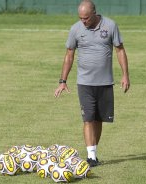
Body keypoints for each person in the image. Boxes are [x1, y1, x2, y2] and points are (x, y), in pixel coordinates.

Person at [54, 0, 130, 167]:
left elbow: (120, 50)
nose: (83, 21)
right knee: (88, 118)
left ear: (95, 13)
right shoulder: (75, 29)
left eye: (86, 18)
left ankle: (93, 152)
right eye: (80, 18)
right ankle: (91, 157)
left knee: (99, 119)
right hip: (84, 83)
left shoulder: (110, 25)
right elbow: (69, 55)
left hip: (105, 82)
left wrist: (125, 75)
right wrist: (62, 81)